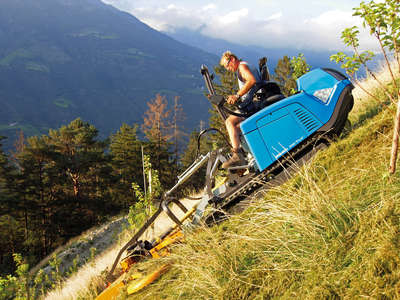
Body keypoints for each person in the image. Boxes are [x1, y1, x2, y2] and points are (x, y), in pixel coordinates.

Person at [219, 51, 262, 169]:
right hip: (254, 102)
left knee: (229, 122)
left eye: (227, 65)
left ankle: (237, 155)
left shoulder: (242, 67)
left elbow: (252, 80)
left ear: (232, 59)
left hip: (254, 106)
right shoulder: (244, 66)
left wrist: (237, 96)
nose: (228, 69)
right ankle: (249, 155)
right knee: (237, 129)